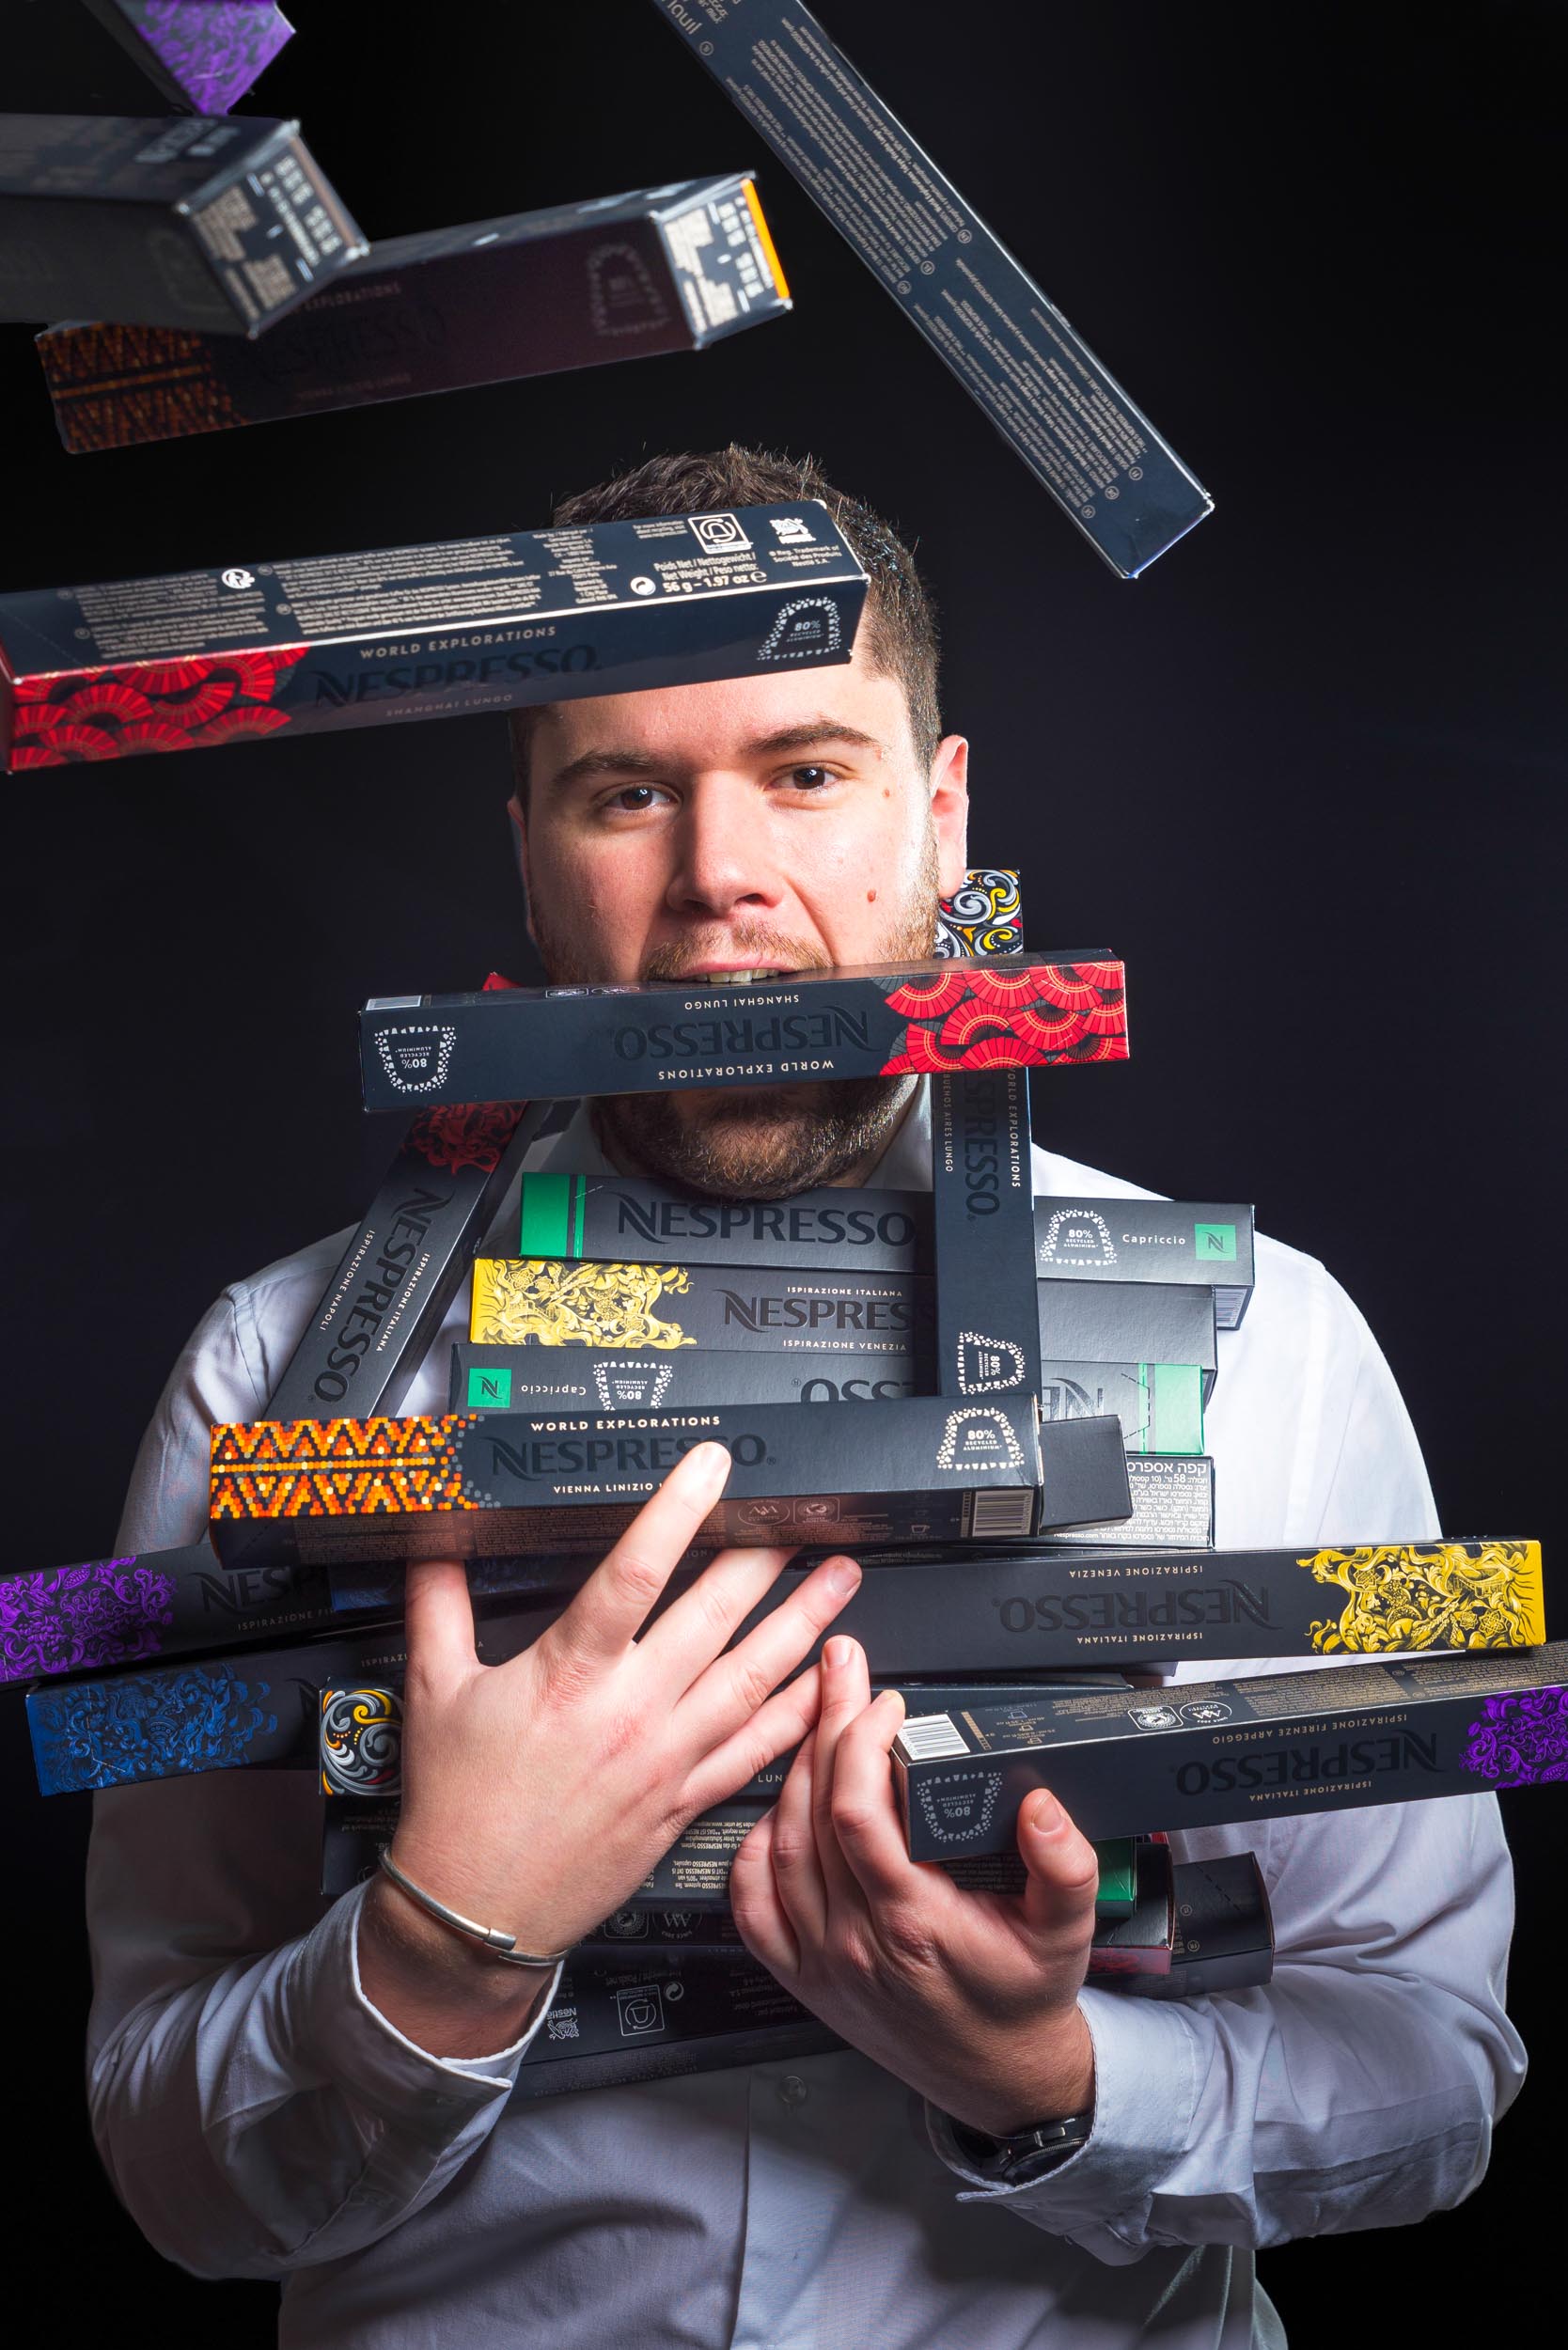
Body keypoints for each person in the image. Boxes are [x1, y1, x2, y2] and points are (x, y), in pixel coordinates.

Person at [87, 446, 1524, 2349]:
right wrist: (432, 1946)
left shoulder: (1272, 1337)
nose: (720, 879)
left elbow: (1440, 2062)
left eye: (808, 769)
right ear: (527, 847)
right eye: (627, 791)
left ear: (945, 821)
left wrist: (1060, 2075)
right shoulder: (264, 1371)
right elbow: (159, 2164)